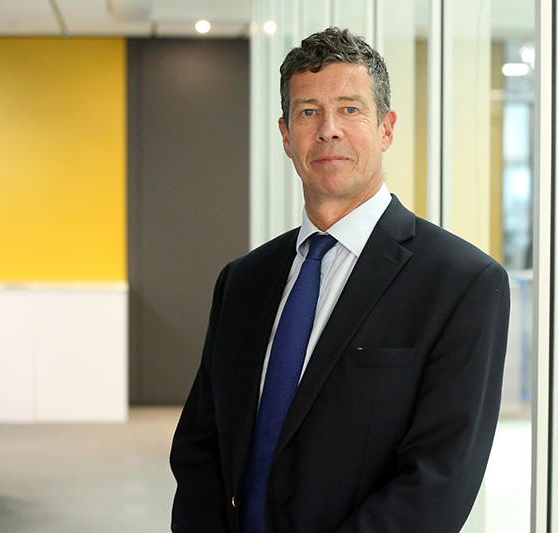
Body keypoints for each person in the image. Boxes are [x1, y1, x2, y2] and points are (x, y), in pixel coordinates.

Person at [170, 27, 510, 533]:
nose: (328, 129)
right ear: (286, 135)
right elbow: (201, 445)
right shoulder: (243, 281)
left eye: (350, 109)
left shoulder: (462, 283)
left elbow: (438, 483)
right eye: (308, 112)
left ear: (386, 129)